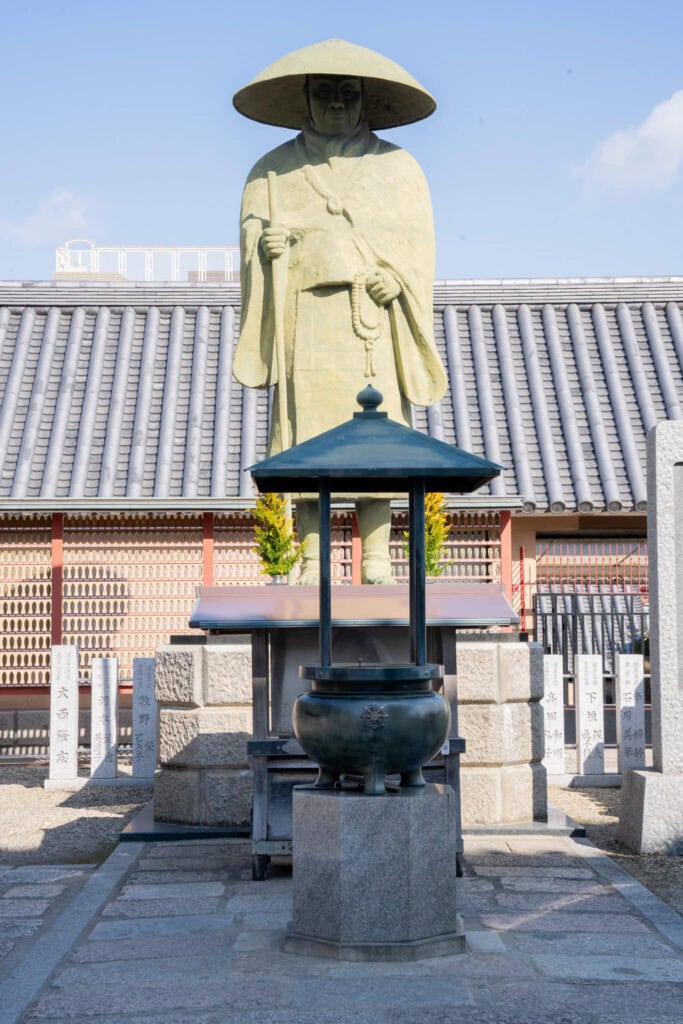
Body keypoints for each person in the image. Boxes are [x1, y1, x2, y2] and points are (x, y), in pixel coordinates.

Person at [232, 40, 448, 583]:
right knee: (309, 439)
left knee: (374, 438)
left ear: (365, 100)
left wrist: (395, 277)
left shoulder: (396, 168)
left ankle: (376, 556)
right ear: (304, 98)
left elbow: (416, 246)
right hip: (305, 322)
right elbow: (253, 234)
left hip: (368, 321)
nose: (335, 105)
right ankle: (311, 557)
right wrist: (267, 247)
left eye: (347, 94)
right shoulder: (272, 172)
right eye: (323, 93)